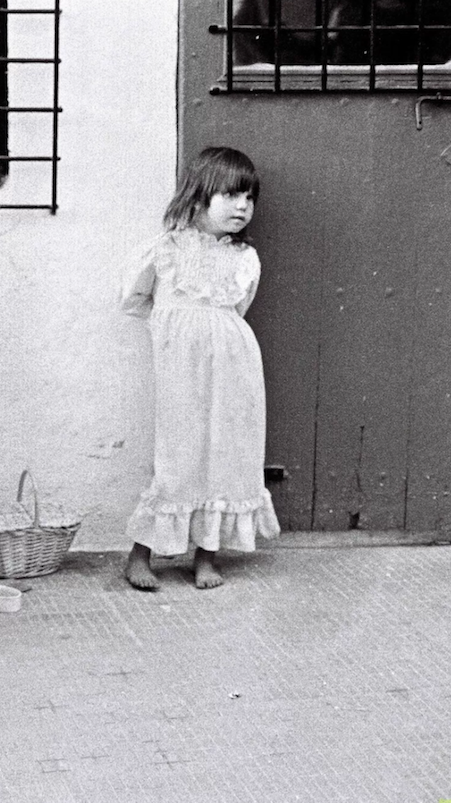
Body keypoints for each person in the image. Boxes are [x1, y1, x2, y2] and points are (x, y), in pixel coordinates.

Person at [121, 146, 281, 591]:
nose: (242, 206)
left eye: (249, 197)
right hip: (181, 370)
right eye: (231, 195)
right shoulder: (165, 251)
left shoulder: (244, 259)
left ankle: (206, 557)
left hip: (235, 369)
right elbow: (136, 300)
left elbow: (236, 311)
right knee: (178, 457)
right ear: (198, 197)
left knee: (228, 455)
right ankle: (140, 556)